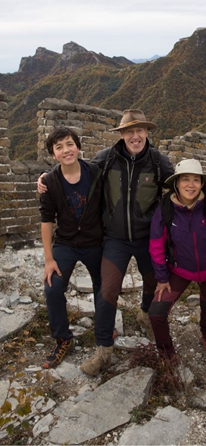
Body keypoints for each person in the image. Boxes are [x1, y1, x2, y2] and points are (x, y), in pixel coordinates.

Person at [79, 109, 175, 375]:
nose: (135, 136)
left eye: (140, 130)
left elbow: (180, 183)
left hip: (148, 239)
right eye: (129, 131)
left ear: (147, 132)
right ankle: (103, 351)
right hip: (116, 240)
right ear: (121, 134)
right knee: (108, 291)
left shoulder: (157, 161)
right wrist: (48, 178)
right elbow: (77, 173)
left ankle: (145, 314)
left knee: (154, 283)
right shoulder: (107, 159)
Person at [148, 159, 206, 363]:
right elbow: (156, 246)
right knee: (156, 313)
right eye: (185, 179)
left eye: (196, 180)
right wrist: (161, 277)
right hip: (179, 270)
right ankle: (167, 355)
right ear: (176, 182)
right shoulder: (166, 209)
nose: (190, 185)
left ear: (203, 183)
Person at [39, 126, 103, 369]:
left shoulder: (95, 172)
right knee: (53, 288)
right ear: (53, 155)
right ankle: (63, 338)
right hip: (65, 243)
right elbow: (46, 221)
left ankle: (103, 332)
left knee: (103, 286)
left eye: (69, 144)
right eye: (59, 147)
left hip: (95, 241)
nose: (66, 150)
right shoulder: (50, 182)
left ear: (78, 146)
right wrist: (48, 259)